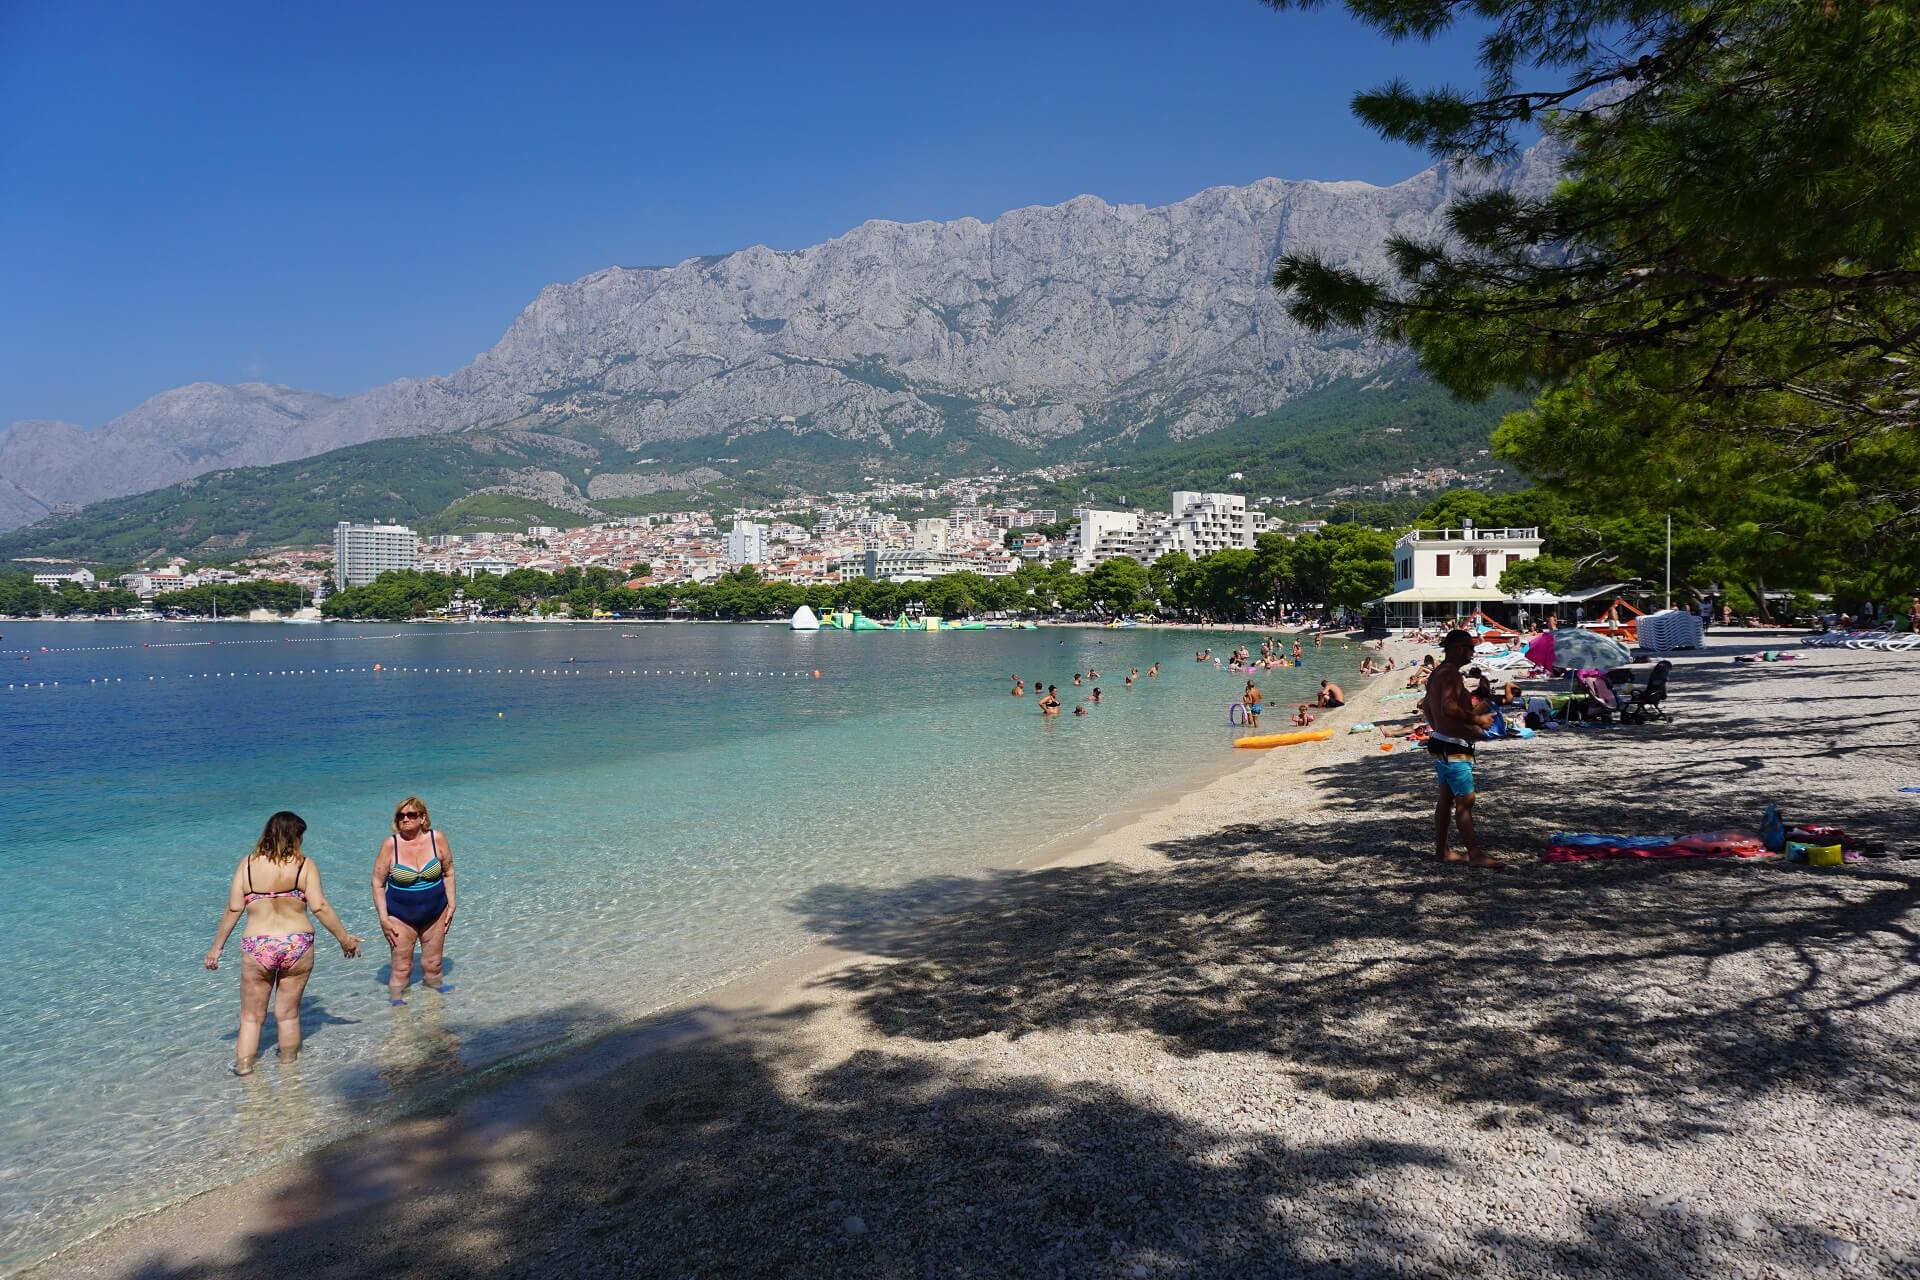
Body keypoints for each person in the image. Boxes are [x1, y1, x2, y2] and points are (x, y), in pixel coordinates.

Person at [205, 811, 362, 1074]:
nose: (302, 841)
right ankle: (290, 1074)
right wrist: (344, 940)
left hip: (258, 944)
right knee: (288, 1015)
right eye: (300, 835)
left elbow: (234, 909)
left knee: (251, 1018)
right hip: (297, 943)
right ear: (294, 836)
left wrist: (216, 948)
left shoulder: (247, 865)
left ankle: (244, 1071)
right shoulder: (304, 865)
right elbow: (320, 907)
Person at [1425, 630, 1501, 869]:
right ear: (1458, 648)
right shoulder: (1450, 675)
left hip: (1442, 743)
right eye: (1470, 647)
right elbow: (1447, 707)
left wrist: (1440, 728)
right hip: (1453, 748)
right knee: (1465, 800)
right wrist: (1476, 720)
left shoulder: (1438, 672)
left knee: (1446, 798)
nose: (1473, 652)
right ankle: (1475, 854)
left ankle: (1442, 851)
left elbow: (1427, 705)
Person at [373, 796, 458, 1006]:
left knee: (433, 964)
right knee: (402, 968)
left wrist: (452, 903)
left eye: (411, 814)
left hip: (436, 912)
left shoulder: (436, 838)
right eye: (400, 815)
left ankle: (435, 1004)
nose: (405, 819)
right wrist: (383, 918)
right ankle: (397, 1010)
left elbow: (449, 872)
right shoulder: (390, 844)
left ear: (422, 817)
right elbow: (377, 883)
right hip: (400, 916)